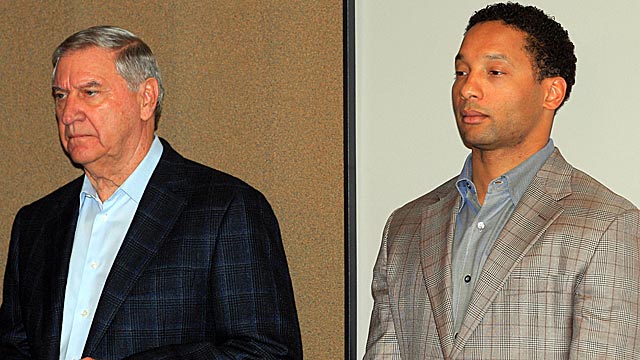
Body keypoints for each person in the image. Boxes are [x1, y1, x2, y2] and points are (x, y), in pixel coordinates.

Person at [0, 26, 302, 359]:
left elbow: (268, 352)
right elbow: (15, 346)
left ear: (146, 98)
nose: (69, 113)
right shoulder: (36, 223)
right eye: (60, 96)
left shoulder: (225, 210)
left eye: (89, 92)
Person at [364, 3, 639, 359]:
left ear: (551, 92)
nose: (468, 89)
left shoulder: (607, 225)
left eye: (494, 72)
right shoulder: (406, 226)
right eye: (461, 72)